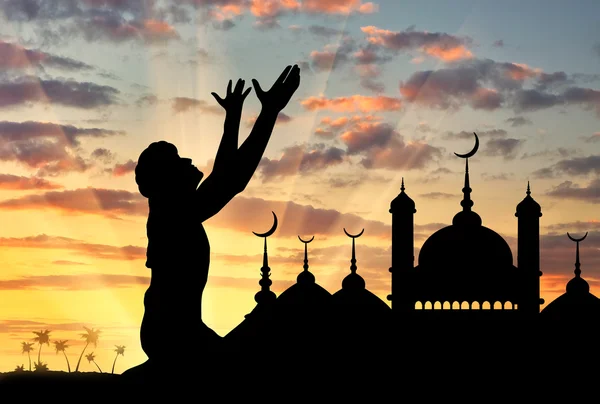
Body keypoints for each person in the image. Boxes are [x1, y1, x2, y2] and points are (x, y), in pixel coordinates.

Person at [129, 65, 301, 375]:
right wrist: (268, 112)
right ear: (166, 180)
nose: (190, 161)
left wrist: (236, 117)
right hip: (172, 332)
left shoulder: (177, 211)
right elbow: (229, 178)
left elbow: (227, 174)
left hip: (178, 329)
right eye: (178, 160)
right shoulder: (173, 215)